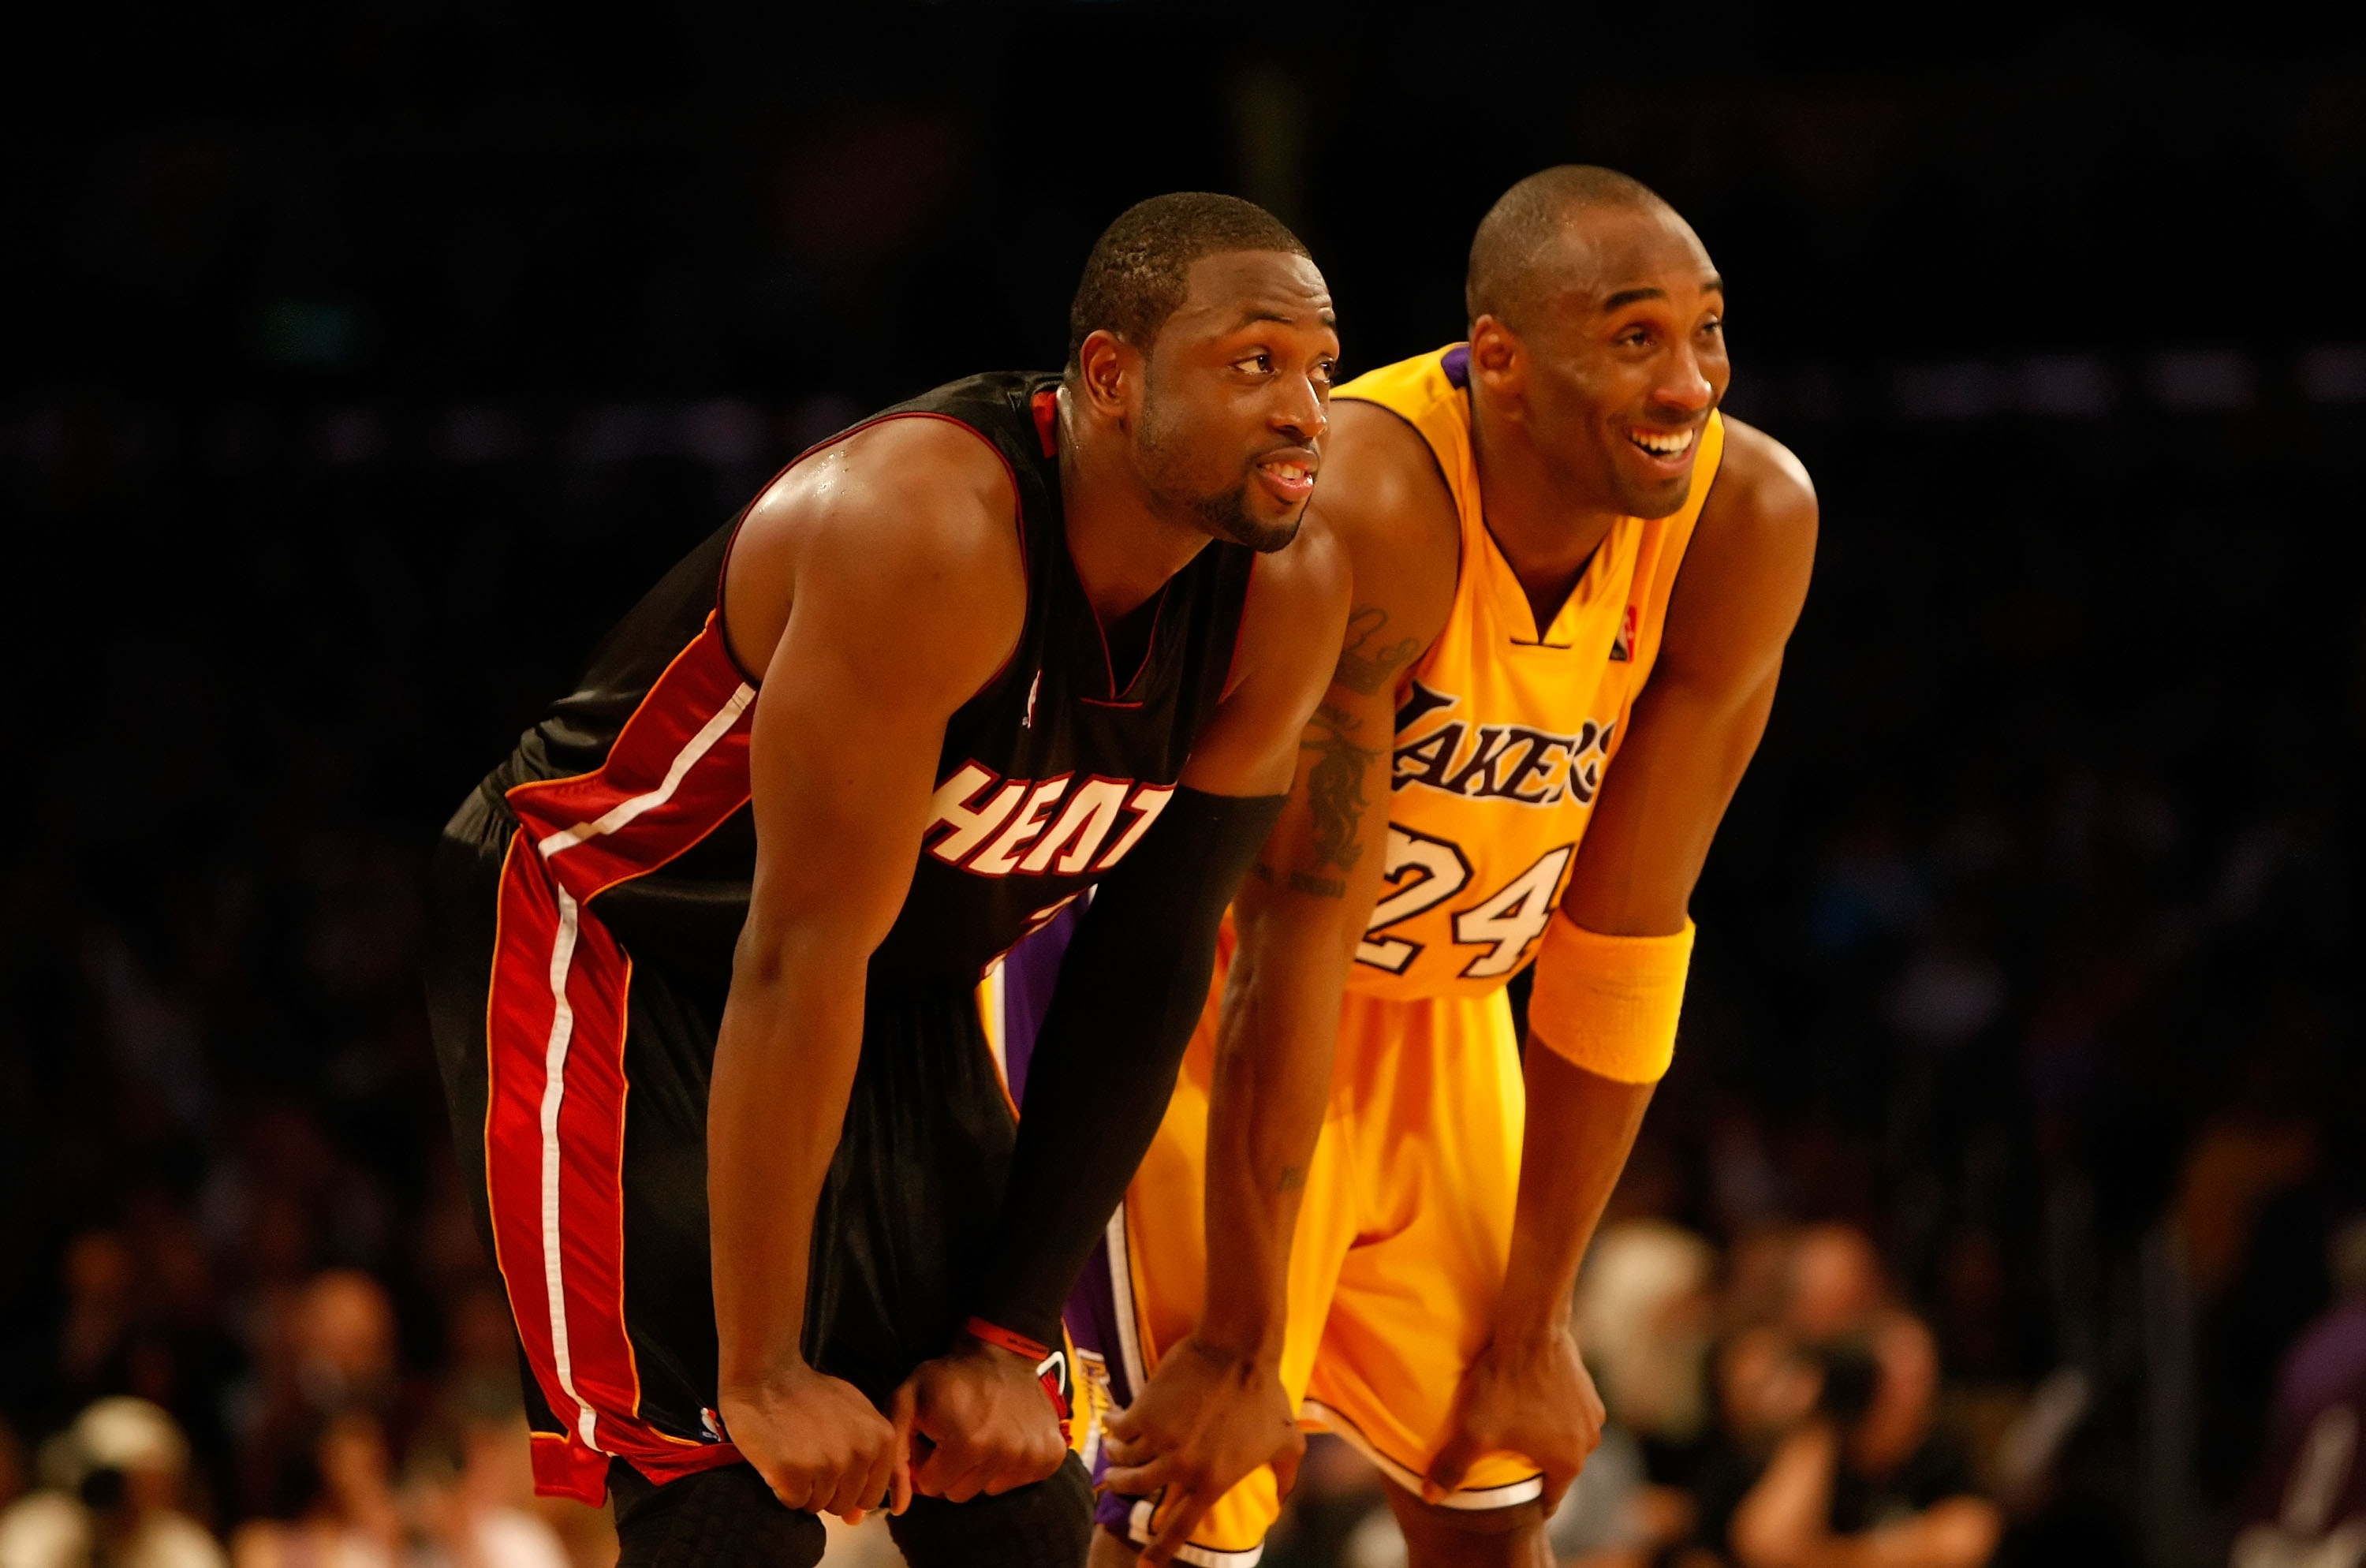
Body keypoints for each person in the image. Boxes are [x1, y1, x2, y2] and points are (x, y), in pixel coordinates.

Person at [421, 192, 1350, 1566]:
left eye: (1320, 369)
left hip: (889, 980)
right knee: (731, 1501)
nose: (1304, 409)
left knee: (1011, 1499)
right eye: (1254, 362)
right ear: (1110, 377)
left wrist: (1005, 1333)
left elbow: (1144, 970)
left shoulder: (1288, 592)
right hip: (616, 928)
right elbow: (794, 952)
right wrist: (762, 1370)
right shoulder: (930, 526)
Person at [1072, 166, 1819, 1567]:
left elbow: (1624, 940)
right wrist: (1241, 1341)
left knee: (1497, 1482)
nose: (1689, 383)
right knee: (1192, 1509)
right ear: (1499, 363)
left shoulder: (1747, 520)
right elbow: (1292, 928)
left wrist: (1542, 1321)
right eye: (1635, 336)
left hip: (1442, 1009)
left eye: (1707, 331)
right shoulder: (1374, 498)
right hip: (1205, 999)